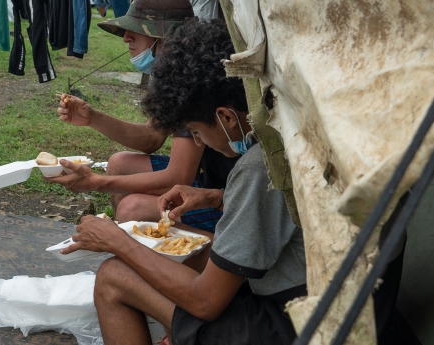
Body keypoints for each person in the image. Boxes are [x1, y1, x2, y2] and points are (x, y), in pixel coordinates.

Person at [62, 19, 307, 345]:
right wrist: (216, 198)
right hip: (332, 298)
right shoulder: (290, 131)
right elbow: (285, 209)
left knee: (113, 275)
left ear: (227, 118)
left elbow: (205, 302)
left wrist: (116, 241)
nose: (196, 139)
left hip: (295, 323)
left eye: (195, 133)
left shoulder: (258, 167)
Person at [46, 0, 238, 233]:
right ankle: (130, 244)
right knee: (119, 163)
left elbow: (177, 177)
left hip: (227, 193)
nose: (126, 37)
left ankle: (155, 255)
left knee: (132, 208)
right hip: (208, 177)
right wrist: (92, 118)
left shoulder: (194, 80)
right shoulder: (174, 71)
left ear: (166, 37)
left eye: (136, 30)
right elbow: (152, 137)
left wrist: (97, 182)